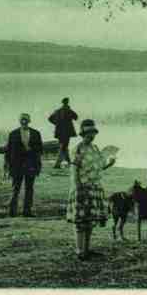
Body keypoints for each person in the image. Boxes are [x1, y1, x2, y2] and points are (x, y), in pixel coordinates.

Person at [66, 119, 115, 259]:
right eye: (88, 133)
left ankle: (86, 249)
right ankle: (79, 250)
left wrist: (109, 164)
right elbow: (74, 169)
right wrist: (77, 187)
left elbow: (98, 168)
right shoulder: (78, 149)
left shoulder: (95, 148)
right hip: (82, 187)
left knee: (90, 220)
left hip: (94, 186)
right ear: (82, 134)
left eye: (93, 132)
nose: (91, 135)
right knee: (80, 221)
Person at [4, 113, 44, 217]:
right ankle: (12, 211)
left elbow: (40, 150)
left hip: (31, 165)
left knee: (29, 189)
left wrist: (37, 165)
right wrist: (7, 165)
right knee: (15, 188)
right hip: (17, 166)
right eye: (22, 119)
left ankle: (27, 211)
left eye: (26, 119)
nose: (24, 121)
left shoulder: (36, 133)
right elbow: (8, 151)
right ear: (19, 121)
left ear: (29, 121)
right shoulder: (13, 134)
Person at [48, 97, 79, 169]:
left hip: (59, 132)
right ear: (67, 103)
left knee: (64, 146)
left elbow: (50, 119)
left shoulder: (57, 111)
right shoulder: (69, 110)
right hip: (67, 132)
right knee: (63, 146)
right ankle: (57, 164)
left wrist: (56, 123)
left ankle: (68, 162)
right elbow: (76, 117)